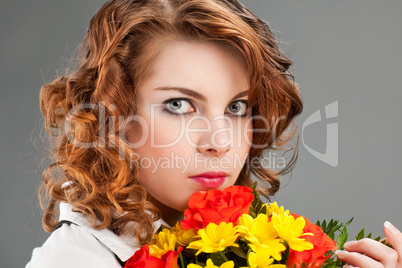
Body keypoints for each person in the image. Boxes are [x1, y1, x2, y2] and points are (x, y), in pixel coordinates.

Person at [26, 0, 402, 267]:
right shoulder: (74, 260)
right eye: (179, 105)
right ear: (114, 115)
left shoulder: (254, 243)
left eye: (237, 107)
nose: (219, 142)